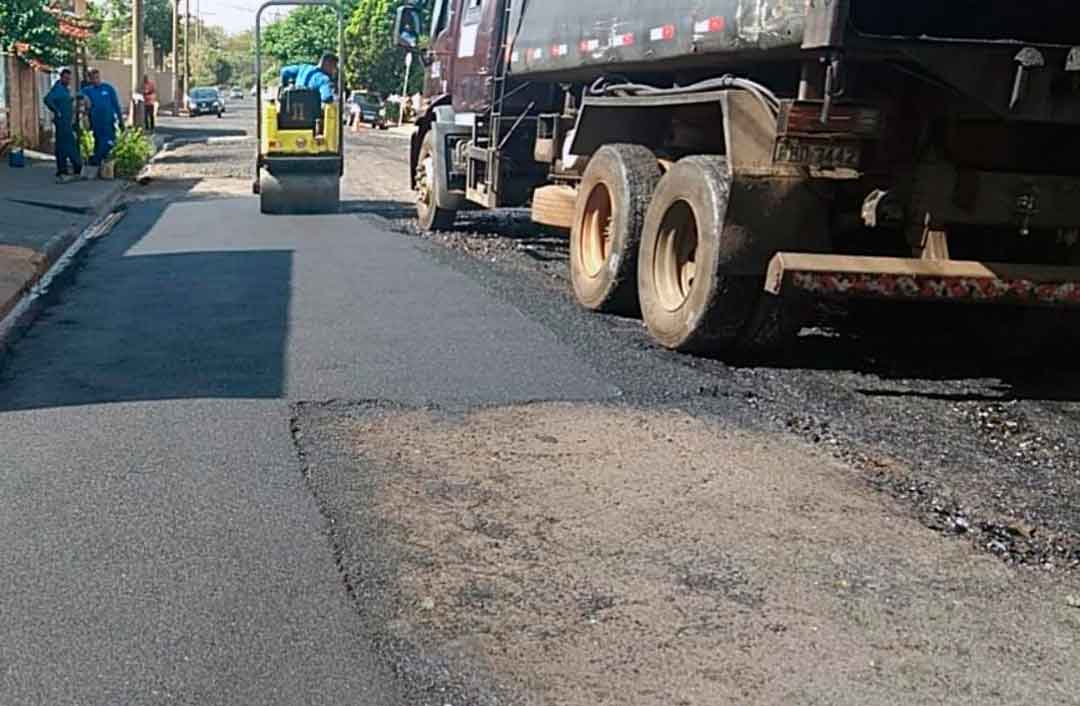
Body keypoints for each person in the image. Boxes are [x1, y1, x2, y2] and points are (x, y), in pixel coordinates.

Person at [80, 69, 122, 177]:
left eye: (97, 77)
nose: (96, 80)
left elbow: (116, 104)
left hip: (109, 121)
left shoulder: (108, 88)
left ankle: (96, 160)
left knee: (110, 142)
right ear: (90, 79)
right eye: (93, 78)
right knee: (99, 142)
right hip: (96, 122)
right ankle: (99, 166)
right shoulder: (87, 90)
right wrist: (84, 98)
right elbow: (80, 98)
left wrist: (121, 120)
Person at [43, 68, 82, 183]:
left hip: (66, 122)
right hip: (62, 123)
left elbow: (64, 101)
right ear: (61, 77)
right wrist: (57, 111)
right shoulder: (58, 88)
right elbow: (47, 99)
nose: (68, 80)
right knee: (70, 144)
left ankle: (62, 169)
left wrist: (73, 99)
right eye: (66, 78)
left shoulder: (64, 89)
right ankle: (77, 167)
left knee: (61, 147)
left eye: (69, 79)